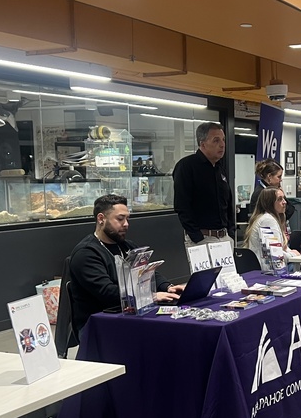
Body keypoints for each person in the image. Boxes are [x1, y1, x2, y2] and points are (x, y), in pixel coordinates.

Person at [68, 195, 183, 334]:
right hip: (99, 323)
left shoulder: (127, 246)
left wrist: (168, 287)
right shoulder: (86, 253)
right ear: (101, 219)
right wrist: (150, 296)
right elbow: (107, 293)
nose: (126, 224)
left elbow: (148, 272)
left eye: (127, 219)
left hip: (130, 313)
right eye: (120, 219)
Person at [173, 121, 235, 246]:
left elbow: (227, 204)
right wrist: (196, 236)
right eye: (216, 140)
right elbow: (182, 205)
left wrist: (231, 231)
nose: (222, 145)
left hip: (224, 237)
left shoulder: (219, 168)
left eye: (223, 140)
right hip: (202, 238)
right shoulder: (186, 166)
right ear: (203, 144)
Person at [243, 187, 301, 271]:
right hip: (268, 271)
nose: (284, 202)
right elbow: (275, 255)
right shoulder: (268, 220)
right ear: (270, 203)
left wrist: (291, 252)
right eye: (280, 199)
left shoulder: (265, 218)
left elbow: (282, 248)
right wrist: (293, 255)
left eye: (284, 198)